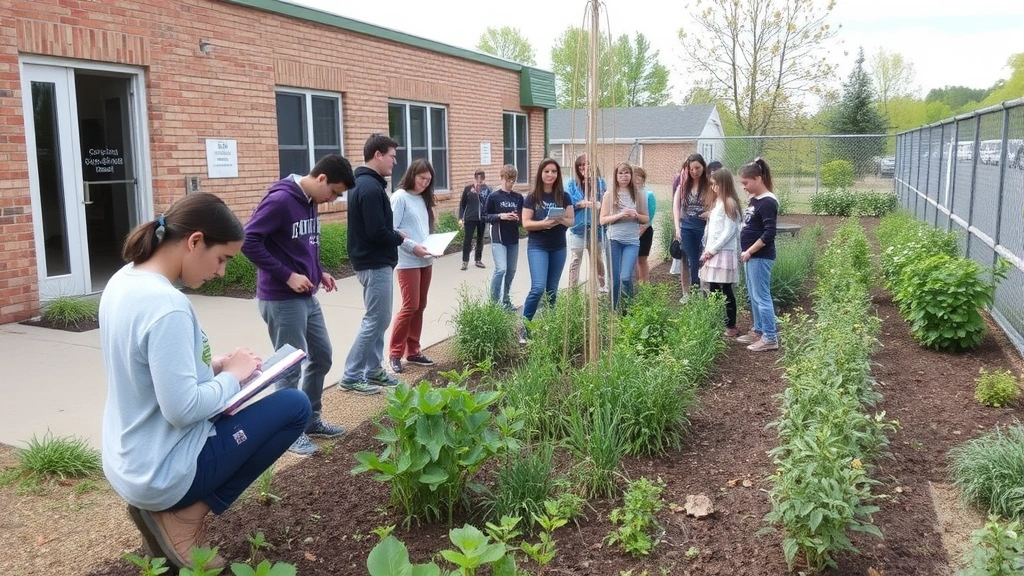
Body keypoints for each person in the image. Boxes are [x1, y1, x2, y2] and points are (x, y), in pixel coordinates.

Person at [101, 193, 311, 570]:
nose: (221, 273)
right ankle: (184, 518)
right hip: (160, 470)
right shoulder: (167, 306)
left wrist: (213, 367)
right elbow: (182, 410)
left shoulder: (124, 280)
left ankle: (171, 512)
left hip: (128, 458)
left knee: (266, 403)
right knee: (295, 407)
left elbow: (146, 370)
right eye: (222, 259)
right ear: (195, 241)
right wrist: (232, 377)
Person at [242, 154, 354, 456]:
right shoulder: (281, 199)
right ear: (321, 179)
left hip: (306, 296)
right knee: (288, 369)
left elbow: (305, 245)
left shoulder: (309, 201)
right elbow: (249, 241)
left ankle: (310, 420)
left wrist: (319, 273)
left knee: (322, 355)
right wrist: (287, 275)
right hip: (281, 299)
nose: (332, 199)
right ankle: (287, 433)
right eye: (334, 192)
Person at [341, 134, 432, 389]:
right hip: (374, 261)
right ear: (378, 155)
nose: (395, 161)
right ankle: (351, 376)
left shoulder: (368, 184)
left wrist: (393, 236)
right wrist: (398, 236)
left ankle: (373, 370)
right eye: (392, 155)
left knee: (378, 318)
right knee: (376, 319)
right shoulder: (369, 188)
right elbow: (376, 231)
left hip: (374, 261)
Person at [388, 159, 438, 374]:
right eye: (421, 178)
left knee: (420, 306)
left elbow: (423, 228)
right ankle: (395, 353)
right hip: (408, 260)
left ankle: (414, 351)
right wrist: (412, 246)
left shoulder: (423, 199)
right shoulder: (400, 197)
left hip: (426, 259)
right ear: (412, 175)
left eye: (428, 180)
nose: (425, 183)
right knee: (410, 305)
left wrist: (434, 245)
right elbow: (391, 229)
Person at [521, 158, 575, 342]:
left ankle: (551, 327)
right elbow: (526, 223)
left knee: (552, 290)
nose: (550, 175)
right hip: (538, 246)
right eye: (547, 171)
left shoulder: (564, 196)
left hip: (558, 247)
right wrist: (543, 223)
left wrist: (560, 220)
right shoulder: (532, 197)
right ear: (540, 174)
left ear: (558, 174)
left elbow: (571, 221)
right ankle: (525, 328)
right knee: (538, 287)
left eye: (554, 171)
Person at [737, 157, 780, 352]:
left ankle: (770, 337)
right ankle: (758, 331)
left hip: (760, 257)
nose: (744, 187)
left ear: (758, 178)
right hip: (750, 256)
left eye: (746, 183)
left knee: (762, 296)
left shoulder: (768, 202)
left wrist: (750, 251)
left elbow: (769, 233)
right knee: (754, 296)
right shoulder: (755, 199)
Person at [699, 168, 743, 337]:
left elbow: (729, 231)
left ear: (723, 184)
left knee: (725, 290)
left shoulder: (729, 203)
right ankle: (718, 321)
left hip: (722, 253)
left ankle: (730, 325)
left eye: (715, 184)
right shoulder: (719, 203)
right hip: (714, 252)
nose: (713, 188)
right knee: (714, 288)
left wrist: (712, 250)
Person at [600, 162, 649, 310]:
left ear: (631, 175)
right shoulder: (609, 195)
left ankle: (628, 310)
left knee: (625, 277)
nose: (624, 176)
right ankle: (614, 311)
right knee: (614, 280)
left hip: (632, 241)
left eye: (627, 173)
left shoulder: (639, 194)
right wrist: (620, 214)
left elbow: (645, 218)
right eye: (620, 173)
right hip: (614, 240)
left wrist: (635, 215)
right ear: (616, 176)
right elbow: (602, 220)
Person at [483, 164, 524, 309]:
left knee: (511, 270)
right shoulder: (494, 196)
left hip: (513, 237)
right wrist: (501, 216)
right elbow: (485, 216)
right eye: (508, 180)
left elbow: (522, 218)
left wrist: (517, 218)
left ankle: (506, 301)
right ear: (502, 178)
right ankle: (494, 304)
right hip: (498, 237)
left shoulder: (518, 197)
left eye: (513, 180)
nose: (511, 183)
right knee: (501, 269)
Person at [672, 154, 712, 302]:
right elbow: (676, 208)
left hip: (703, 227)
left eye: (698, 168)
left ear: (703, 167)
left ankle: (704, 291)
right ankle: (691, 292)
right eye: (691, 169)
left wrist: (710, 213)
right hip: (686, 227)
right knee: (690, 260)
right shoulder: (683, 186)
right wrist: (677, 228)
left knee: (703, 259)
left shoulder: (709, 185)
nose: (695, 171)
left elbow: (719, 205)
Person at [565, 153, 607, 291]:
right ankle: (573, 290)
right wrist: (585, 204)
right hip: (578, 228)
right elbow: (570, 203)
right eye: (581, 165)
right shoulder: (572, 183)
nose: (584, 167)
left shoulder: (600, 183)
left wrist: (595, 204)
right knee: (575, 260)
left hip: (596, 228)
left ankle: (601, 287)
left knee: (597, 259)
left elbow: (604, 203)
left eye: (587, 164)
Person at [459, 169, 491, 270]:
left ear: (484, 178)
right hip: (470, 218)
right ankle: (465, 261)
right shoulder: (468, 189)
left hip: (482, 218)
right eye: (478, 177)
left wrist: (489, 216)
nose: (480, 180)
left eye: (482, 178)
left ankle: (478, 259)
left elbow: (489, 203)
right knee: (467, 239)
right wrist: (461, 217)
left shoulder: (487, 189)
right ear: (475, 177)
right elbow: (463, 204)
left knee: (480, 239)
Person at [633, 166, 657, 283]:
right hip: (631, 230)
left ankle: (644, 285)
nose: (637, 179)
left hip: (645, 230)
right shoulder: (628, 195)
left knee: (642, 259)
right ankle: (635, 284)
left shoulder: (649, 194)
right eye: (634, 176)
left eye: (640, 176)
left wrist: (642, 229)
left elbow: (651, 214)